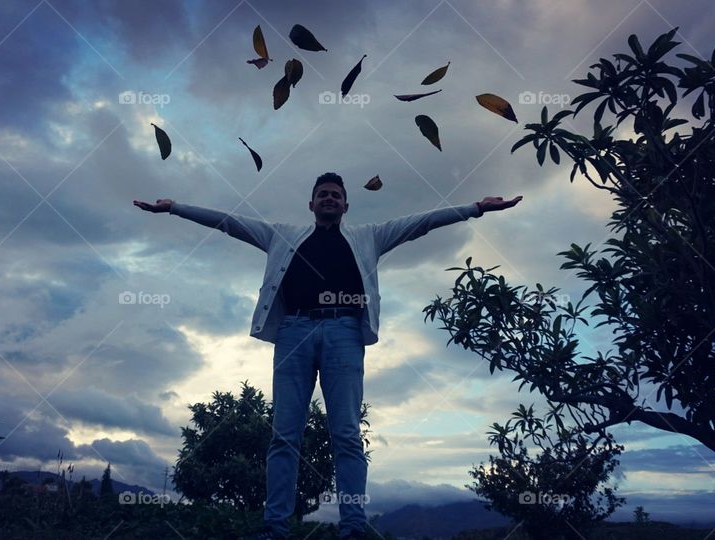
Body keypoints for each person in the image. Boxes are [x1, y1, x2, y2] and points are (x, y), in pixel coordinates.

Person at [133, 173, 523, 539]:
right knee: (284, 436)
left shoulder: (369, 236)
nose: (330, 198)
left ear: (346, 205)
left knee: (347, 436)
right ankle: (275, 526)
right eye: (324, 194)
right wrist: (175, 208)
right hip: (294, 332)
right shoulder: (281, 235)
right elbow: (230, 223)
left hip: (344, 333)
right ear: (311, 204)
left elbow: (420, 223)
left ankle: (352, 525)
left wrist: (476, 207)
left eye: (336, 194)